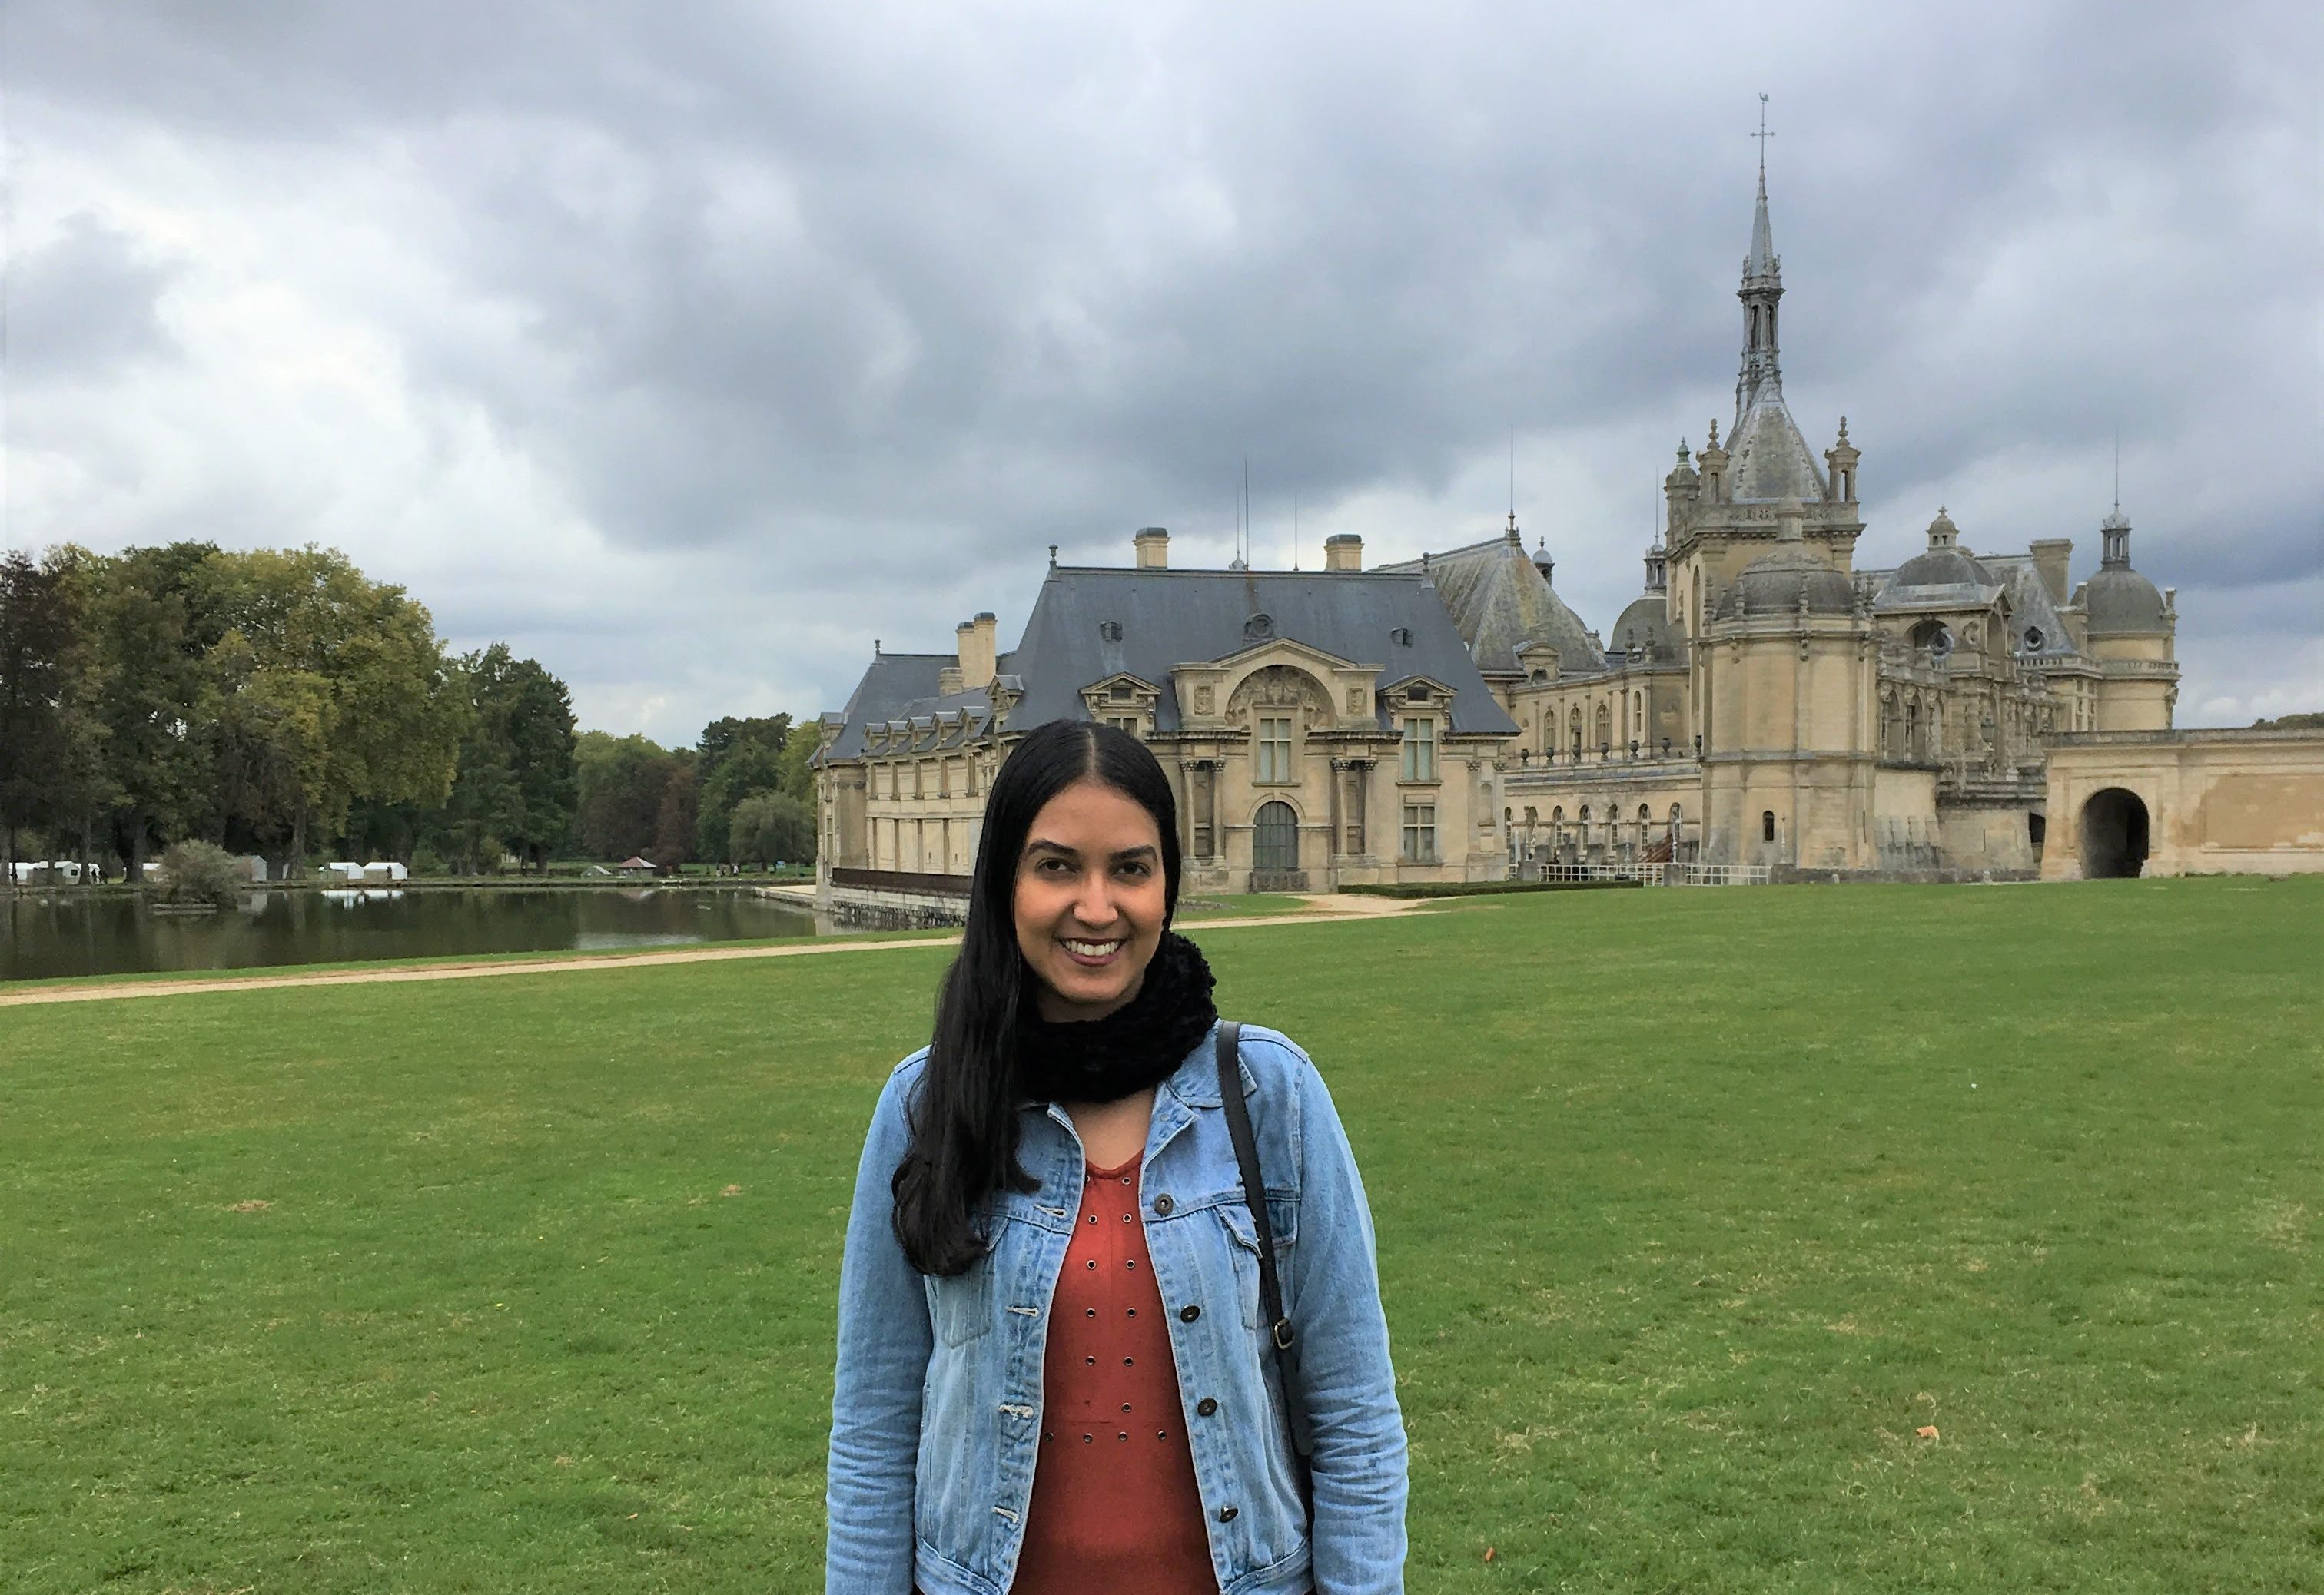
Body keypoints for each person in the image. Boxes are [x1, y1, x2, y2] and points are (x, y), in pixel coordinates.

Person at [826, 718, 1406, 1594]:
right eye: (1057, 865)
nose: (1096, 908)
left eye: (1130, 869)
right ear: (1004, 883)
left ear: (1167, 885)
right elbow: (874, 1427)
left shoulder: (1270, 1095)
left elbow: (1356, 1421)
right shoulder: (926, 1106)